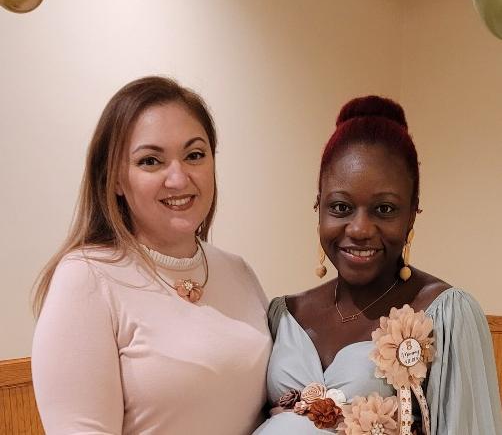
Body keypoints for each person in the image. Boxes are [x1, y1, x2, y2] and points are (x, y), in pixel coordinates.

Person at [31, 76, 271, 435]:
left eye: (194, 155)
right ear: (114, 179)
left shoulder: (237, 271)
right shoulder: (86, 278)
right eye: (151, 161)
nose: (178, 179)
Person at [254, 96, 502, 434]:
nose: (359, 229)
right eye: (341, 207)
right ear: (318, 206)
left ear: (412, 213)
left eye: (384, 209)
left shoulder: (446, 315)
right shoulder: (283, 314)